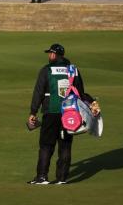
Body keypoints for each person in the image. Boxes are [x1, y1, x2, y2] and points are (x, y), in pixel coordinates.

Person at [27, 43, 101, 185]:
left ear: (54, 55)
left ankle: (42, 177)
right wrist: (92, 102)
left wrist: (33, 111)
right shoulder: (73, 69)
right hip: (69, 113)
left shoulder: (46, 70)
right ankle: (62, 178)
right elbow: (81, 92)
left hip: (51, 112)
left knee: (46, 145)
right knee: (65, 145)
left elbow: (38, 93)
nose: (49, 56)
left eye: (50, 53)